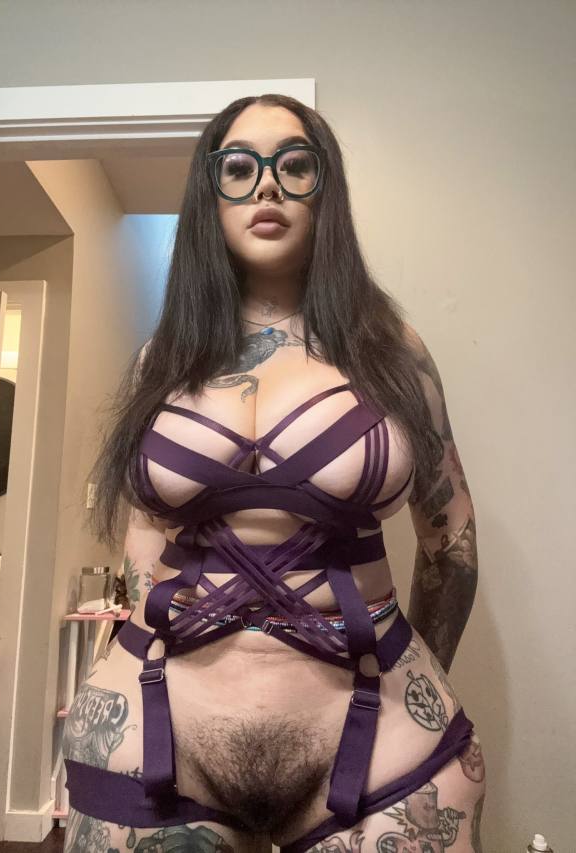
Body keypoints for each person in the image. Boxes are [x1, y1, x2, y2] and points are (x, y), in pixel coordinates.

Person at [62, 93, 486, 853]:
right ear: (210, 195)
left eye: (295, 166)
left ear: (326, 192)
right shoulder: (161, 361)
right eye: (239, 168)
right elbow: (146, 540)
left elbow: (451, 544)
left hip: (381, 738)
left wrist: (419, 674)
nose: (267, 184)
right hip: (160, 732)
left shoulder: (393, 351)